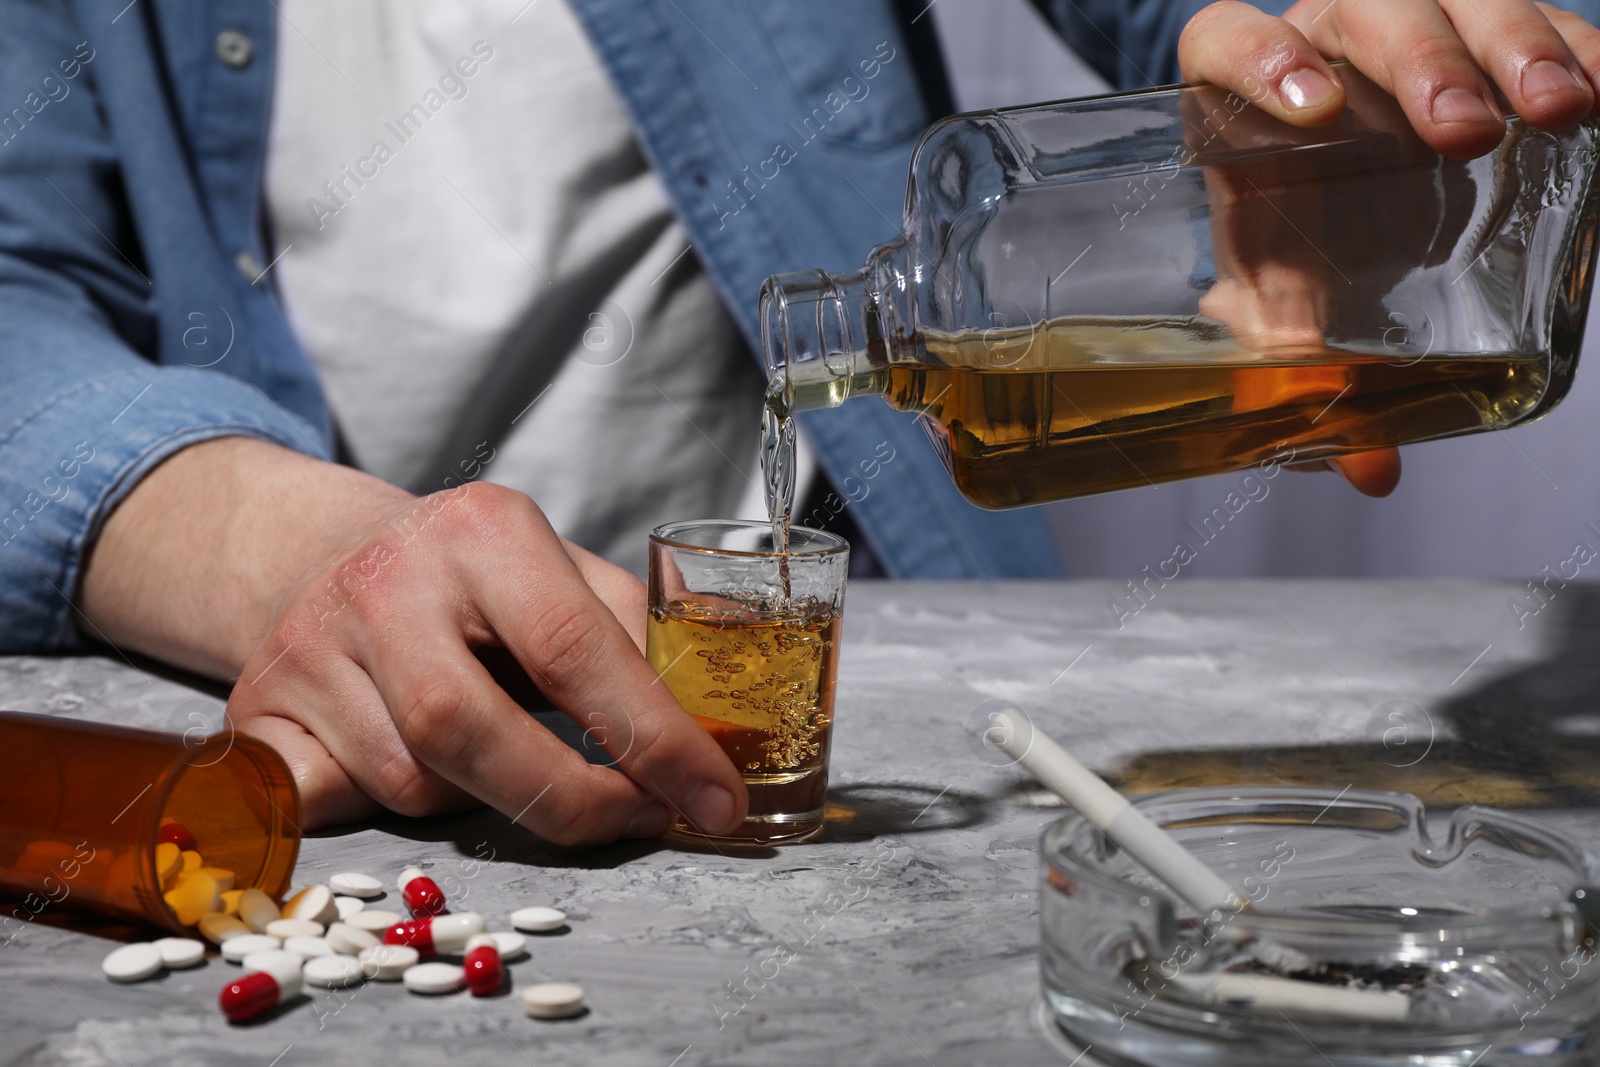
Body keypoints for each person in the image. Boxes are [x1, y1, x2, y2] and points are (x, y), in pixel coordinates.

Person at [0, 0, 1595, 843]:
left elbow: (1239, 13)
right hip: (334, 744)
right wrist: (288, 540)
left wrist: (1341, 31)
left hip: (902, 683)